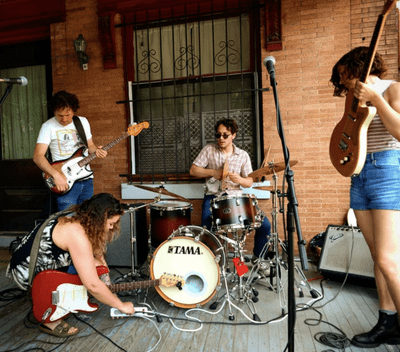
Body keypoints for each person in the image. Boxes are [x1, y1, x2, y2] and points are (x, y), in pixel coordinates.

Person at [330, 46, 400, 348]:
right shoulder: (352, 97)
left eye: (345, 76)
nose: (343, 83)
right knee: (377, 257)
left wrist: (377, 100)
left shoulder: (392, 88)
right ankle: (387, 322)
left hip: (387, 170)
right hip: (360, 175)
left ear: (358, 67)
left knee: (389, 259)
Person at [6, 193, 135, 337]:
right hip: (25, 272)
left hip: (33, 262)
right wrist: (120, 305)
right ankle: (48, 319)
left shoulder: (80, 218)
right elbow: (92, 285)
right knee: (90, 280)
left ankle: (56, 297)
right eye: (111, 223)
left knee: (95, 264)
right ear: (100, 219)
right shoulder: (77, 234)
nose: (112, 228)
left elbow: (97, 255)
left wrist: (105, 278)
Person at [189, 118, 271, 262]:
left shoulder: (243, 155)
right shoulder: (209, 150)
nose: (221, 138)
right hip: (214, 197)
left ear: (233, 135)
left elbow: (249, 181)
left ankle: (259, 259)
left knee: (264, 225)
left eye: (225, 135)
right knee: (206, 228)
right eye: (218, 135)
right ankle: (209, 263)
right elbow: (193, 170)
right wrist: (213, 172)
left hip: (236, 198)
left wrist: (239, 180)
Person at [33, 90, 107, 212]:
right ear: (54, 112)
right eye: (60, 116)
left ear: (73, 110)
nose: (64, 119)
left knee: (87, 218)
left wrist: (97, 151)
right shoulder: (48, 126)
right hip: (64, 180)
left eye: (68, 115)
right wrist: (55, 175)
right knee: (67, 219)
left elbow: (90, 146)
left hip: (86, 178)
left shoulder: (82, 122)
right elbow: (38, 156)